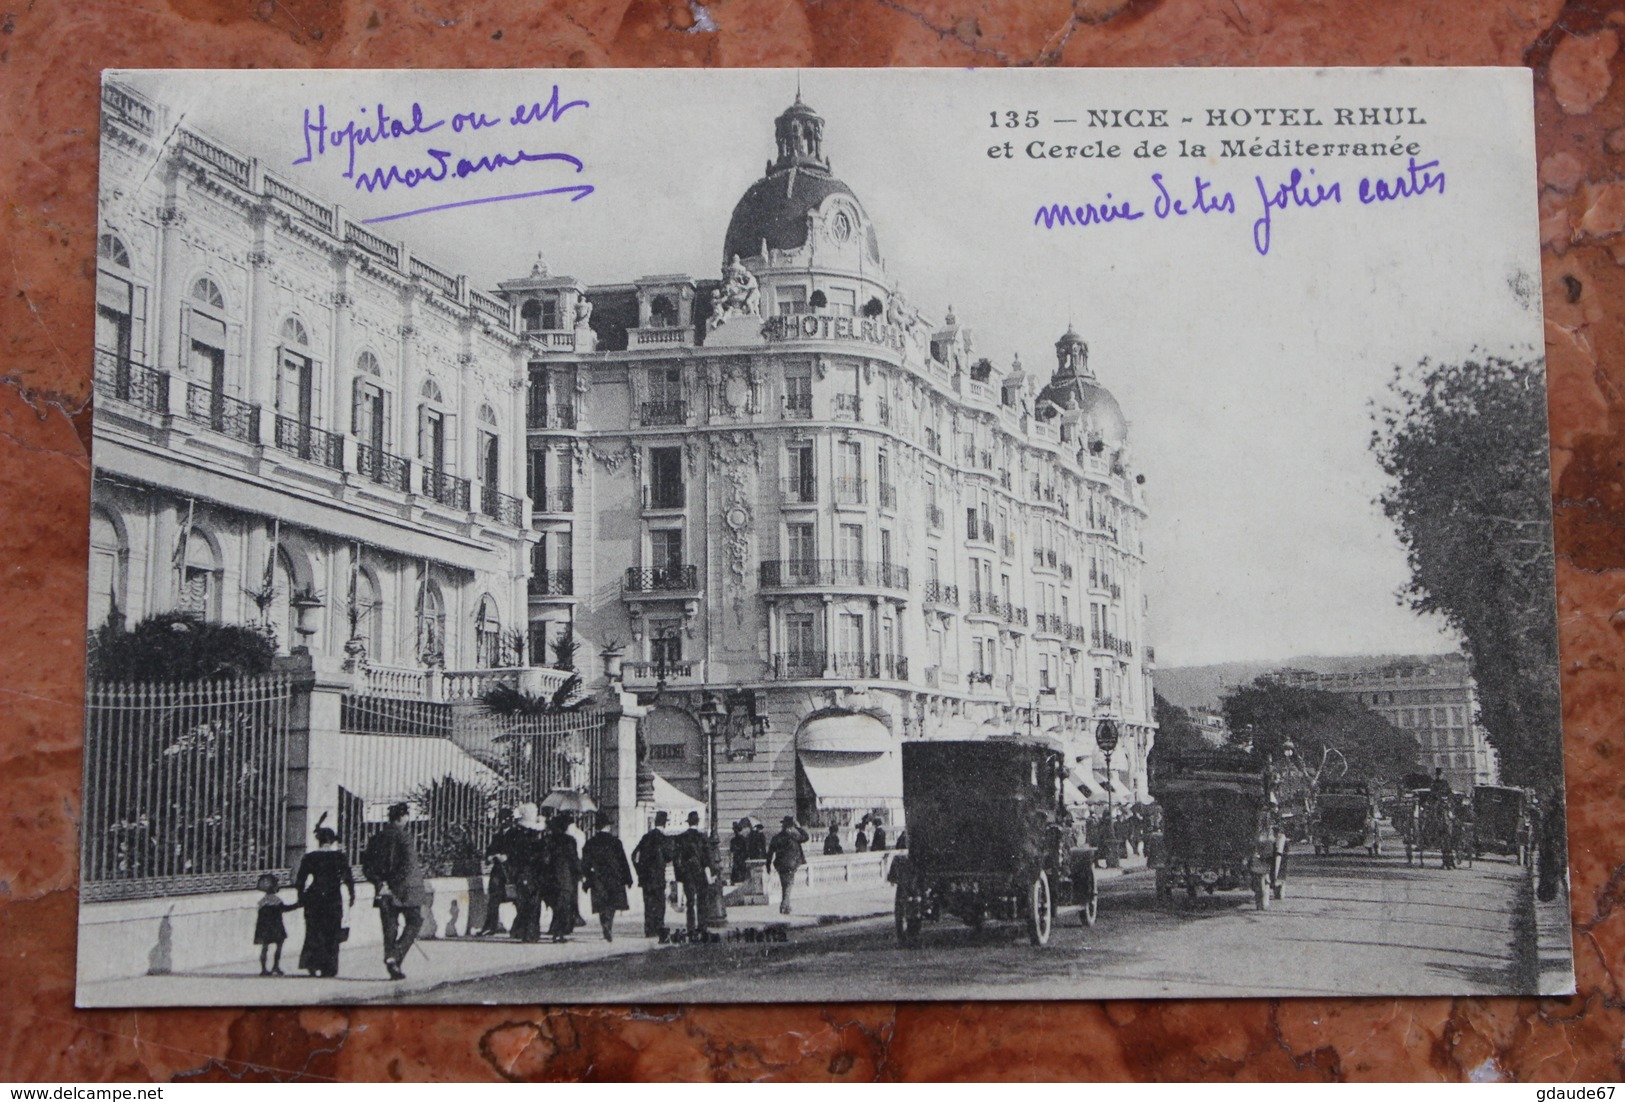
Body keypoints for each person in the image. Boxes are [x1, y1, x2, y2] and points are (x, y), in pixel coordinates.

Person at [361, 802, 426, 980]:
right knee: (415, 921)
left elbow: (366, 866)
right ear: (403, 817)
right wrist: (393, 883)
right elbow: (408, 865)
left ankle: (393, 962)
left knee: (389, 927)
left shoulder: (376, 838)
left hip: (383, 889)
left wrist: (380, 882)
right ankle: (395, 956)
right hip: (405, 890)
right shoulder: (404, 837)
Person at [294, 825, 354, 978]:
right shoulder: (339, 857)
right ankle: (329, 968)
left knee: (313, 931)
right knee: (332, 932)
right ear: (332, 841)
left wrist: (301, 897)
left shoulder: (310, 857)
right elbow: (348, 879)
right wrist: (352, 896)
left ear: (319, 840)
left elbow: (300, 880)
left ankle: (312, 964)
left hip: (314, 897)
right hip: (333, 898)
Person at [580, 820, 634, 942]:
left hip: (598, 878)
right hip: (615, 878)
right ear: (608, 827)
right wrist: (628, 879)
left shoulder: (590, 843)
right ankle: (608, 925)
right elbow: (623, 862)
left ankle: (605, 925)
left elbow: (585, 864)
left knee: (601, 904)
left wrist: (587, 879)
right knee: (612, 904)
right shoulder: (616, 842)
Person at [505, 803, 550, 942]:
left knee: (525, 902)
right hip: (530, 873)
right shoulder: (531, 838)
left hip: (523, 873)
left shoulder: (515, 835)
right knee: (532, 903)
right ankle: (529, 932)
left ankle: (524, 930)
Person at [474, 806, 520, 937]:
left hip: (512, 871)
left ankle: (519, 926)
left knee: (518, 899)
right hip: (498, 871)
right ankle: (490, 926)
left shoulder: (516, 835)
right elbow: (490, 850)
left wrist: (508, 857)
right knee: (494, 899)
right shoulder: (497, 836)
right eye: (500, 819)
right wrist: (490, 857)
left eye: (505, 819)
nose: (502, 822)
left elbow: (519, 852)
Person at [631, 811, 674, 937]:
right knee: (660, 903)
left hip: (646, 877)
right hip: (659, 876)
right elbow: (669, 856)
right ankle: (659, 926)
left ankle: (649, 929)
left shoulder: (646, 837)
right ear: (665, 823)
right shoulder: (663, 838)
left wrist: (639, 870)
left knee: (648, 903)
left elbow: (634, 855)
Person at [672, 811, 713, 936]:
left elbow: (676, 859)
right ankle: (702, 926)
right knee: (702, 900)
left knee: (690, 901)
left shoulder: (681, 838)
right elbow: (707, 859)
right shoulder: (703, 837)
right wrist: (710, 874)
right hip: (700, 872)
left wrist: (679, 875)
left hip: (687, 874)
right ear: (698, 822)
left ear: (688, 822)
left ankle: (690, 927)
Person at [544, 812, 583, 942]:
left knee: (556, 904)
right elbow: (573, 859)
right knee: (564, 905)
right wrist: (580, 872)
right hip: (564, 877)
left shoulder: (548, 839)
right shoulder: (569, 840)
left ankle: (555, 928)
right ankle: (559, 932)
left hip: (549, 877)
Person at [253, 872, 297, 976]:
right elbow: (285, 909)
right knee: (279, 946)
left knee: (265, 947)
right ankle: (275, 966)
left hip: (264, 927)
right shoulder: (277, 900)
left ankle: (263, 969)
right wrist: (297, 905)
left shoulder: (262, 902)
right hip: (276, 927)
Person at [766, 816, 810, 915]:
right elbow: (806, 837)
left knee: (784, 884)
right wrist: (798, 827)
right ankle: (784, 905)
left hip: (780, 864)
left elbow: (770, 852)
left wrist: (768, 865)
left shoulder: (777, 837)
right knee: (788, 885)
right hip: (791, 864)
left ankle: (787, 906)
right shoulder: (794, 836)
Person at [729, 819, 751, 884]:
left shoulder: (734, 840)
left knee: (737, 875)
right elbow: (746, 850)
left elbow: (731, 851)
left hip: (738, 859)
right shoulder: (743, 839)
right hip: (740, 859)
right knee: (740, 875)